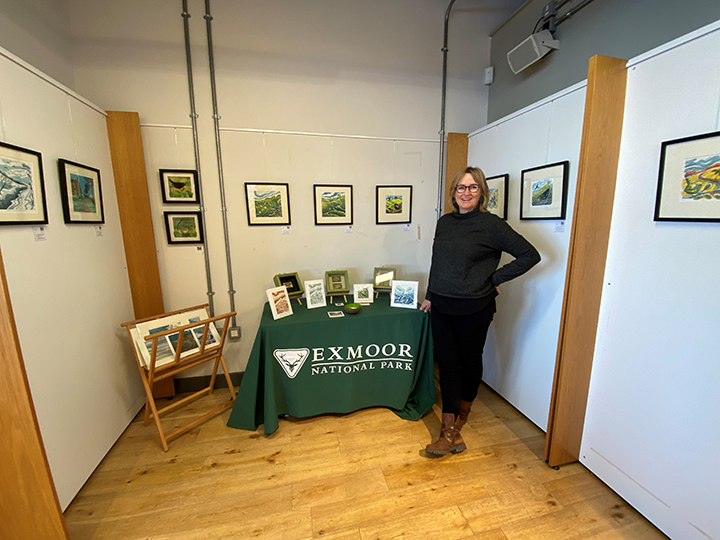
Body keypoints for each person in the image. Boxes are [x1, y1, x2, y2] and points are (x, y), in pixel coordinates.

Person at [420, 166, 540, 456]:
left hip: (475, 306)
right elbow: (438, 263)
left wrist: (494, 279)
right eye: (461, 187)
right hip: (443, 305)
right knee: (447, 364)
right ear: (454, 192)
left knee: (469, 362)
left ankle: (457, 426)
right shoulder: (444, 223)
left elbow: (530, 255)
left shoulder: (492, 225)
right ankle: (449, 432)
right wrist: (430, 295)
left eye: (473, 187)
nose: (466, 193)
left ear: (482, 192)